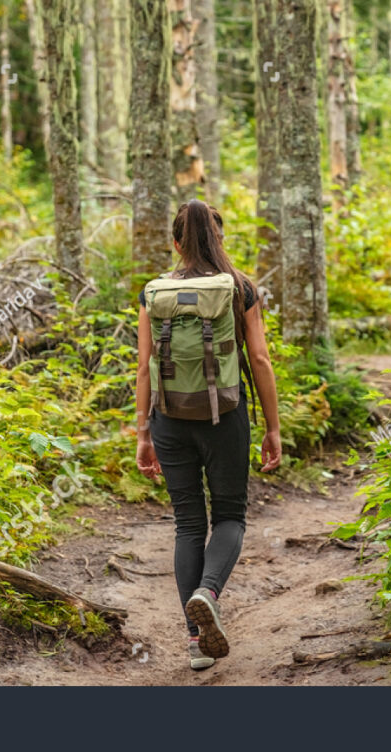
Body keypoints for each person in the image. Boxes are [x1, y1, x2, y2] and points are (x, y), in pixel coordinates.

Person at [135, 200, 282, 671]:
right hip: (225, 418)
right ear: (219, 240)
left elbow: (143, 368)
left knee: (188, 525)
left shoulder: (154, 293)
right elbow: (258, 360)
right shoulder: (239, 288)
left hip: (169, 417)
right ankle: (209, 591)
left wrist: (143, 433)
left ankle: (197, 640)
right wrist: (274, 428)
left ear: (175, 243)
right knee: (231, 516)